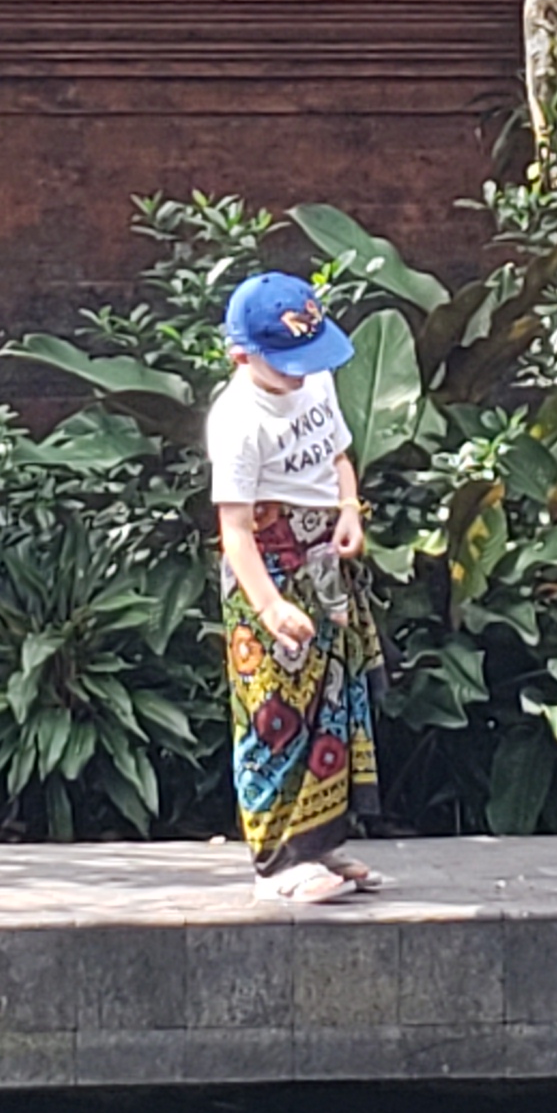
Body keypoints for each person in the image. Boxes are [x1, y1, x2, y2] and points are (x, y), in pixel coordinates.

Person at [207, 270, 383, 907]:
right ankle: (273, 865)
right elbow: (234, 531)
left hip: (322, 566)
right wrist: (270, 604)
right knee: (274, 718)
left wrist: (350, 510)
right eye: (288, 364)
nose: (303, 375)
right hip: (267, 574)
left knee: (331, 709)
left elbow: (337, 452)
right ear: (242, 355)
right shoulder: (237, 423)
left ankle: (318, 845)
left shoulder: (316, 379)